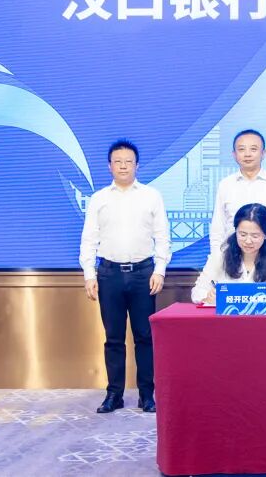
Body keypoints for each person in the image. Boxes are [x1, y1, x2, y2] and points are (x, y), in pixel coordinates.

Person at [79, 140, 170, 414]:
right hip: (109, 275)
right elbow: (89, 239)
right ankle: (114, 394)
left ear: (137, 165)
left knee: (144, 337)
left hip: (143, 274)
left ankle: (147, 395)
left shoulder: (151, 196)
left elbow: (162, 236)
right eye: (117, 162)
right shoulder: (99, 199)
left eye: (128, 162)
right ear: (109, 166)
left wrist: (159, 270)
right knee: (113, 338)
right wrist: (89, 274)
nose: (123, 166)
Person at [210, 129, 266, 263]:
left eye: (253, 149)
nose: (247, 154)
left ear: (263, 153)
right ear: (234, 154)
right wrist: (217, 257)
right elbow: (218, 226)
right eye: (241, 149)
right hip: (232, 260)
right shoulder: (225, 185)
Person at [192, 203, 266, 304]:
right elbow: (197, 292)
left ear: (265, 235)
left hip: (264, 315)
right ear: (235, 231)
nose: (248, 241)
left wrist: (240, 296)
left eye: (255, 236)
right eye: (242, 234)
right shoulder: (221, 254)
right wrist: (208, 297)